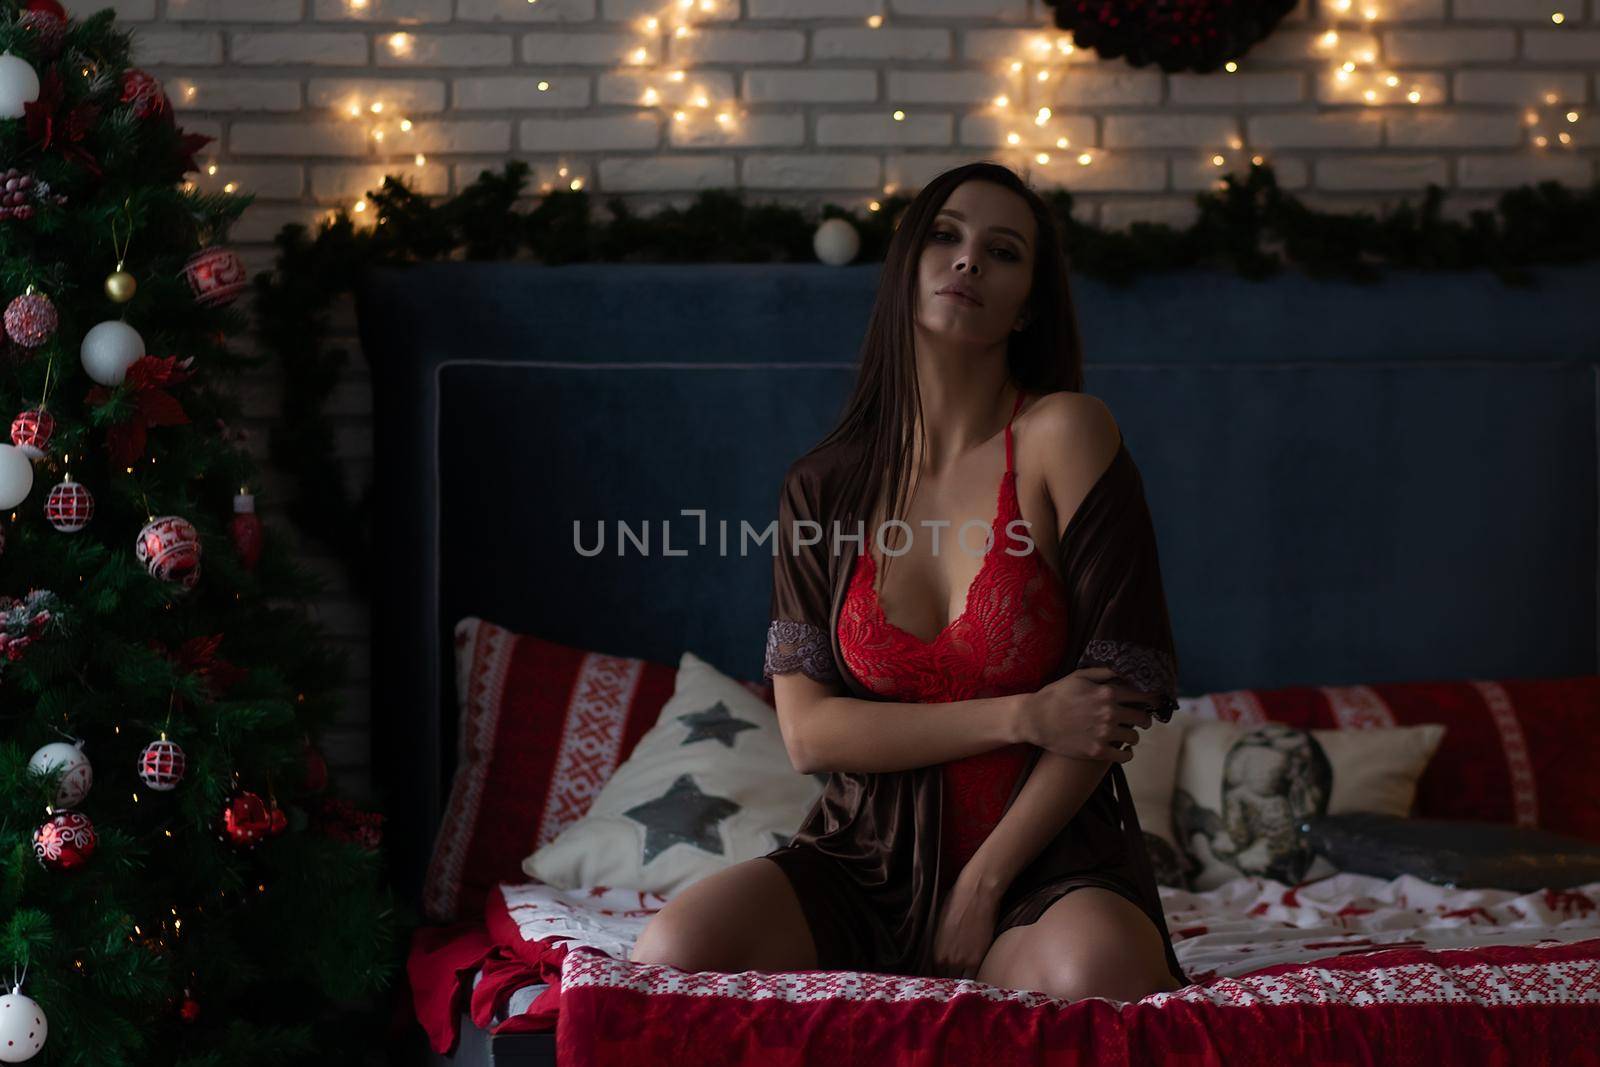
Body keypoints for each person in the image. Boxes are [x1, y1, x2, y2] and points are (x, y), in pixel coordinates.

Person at [629, 161, 1186, 1002]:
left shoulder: (1064, 433)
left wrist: (982, 883)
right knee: (673, 951)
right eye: (945, 236)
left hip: (1044, 870)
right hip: (861, 859)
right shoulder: (822, 486)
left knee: (1096, 971)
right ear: (908, 267)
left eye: (1002, 251)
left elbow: (1113, 700)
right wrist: (1024, 714)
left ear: (1028, 302)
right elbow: (811, 736)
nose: (967, 262)